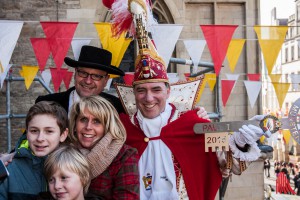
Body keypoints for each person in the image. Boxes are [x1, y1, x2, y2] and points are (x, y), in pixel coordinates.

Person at [113, 0, 269, 199]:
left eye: (156, 89)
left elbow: (230, 167)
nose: (148, 98)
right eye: (141, 90)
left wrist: (240, 144)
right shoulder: (121, 130)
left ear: (168, 91)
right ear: (133, 93)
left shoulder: (194, 124)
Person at [68, 95, 140, 199]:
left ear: (107, 126)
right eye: (83, 119)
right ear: (74, 124)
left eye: (97, 121)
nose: (88, 127)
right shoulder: (65, 152)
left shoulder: (124, 156)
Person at [0, 101, 69, 199]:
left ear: (63, 135)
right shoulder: (9, 169)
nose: (40, 138)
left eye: (49, 131)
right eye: (34, 131)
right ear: (27, 133)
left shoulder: (74, 168)